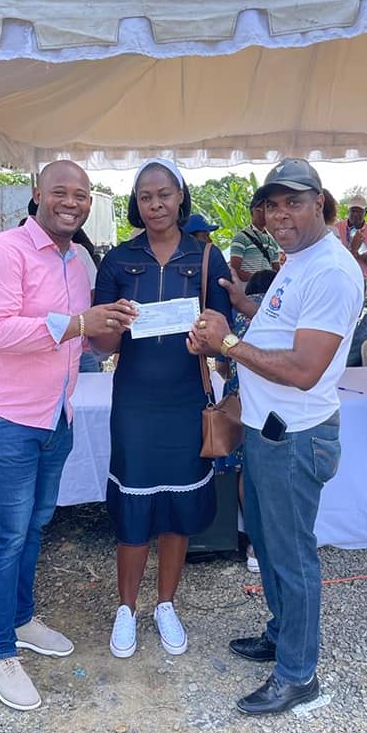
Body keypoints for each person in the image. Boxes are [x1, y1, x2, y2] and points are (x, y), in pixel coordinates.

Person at [0, 161, 135, 711]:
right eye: (60, 191)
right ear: (37, 194)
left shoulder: (77, 260)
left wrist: (113, 330)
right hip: (0, 419)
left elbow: (80, 338)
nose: (72, 202)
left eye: (81, 194)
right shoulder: (2, 253)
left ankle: (20, 618)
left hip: (54, 417)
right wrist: (81, 324)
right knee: (5, 536)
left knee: (33, 527)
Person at [188, 158, 364, 715]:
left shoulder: (331, 271)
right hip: (268, 432)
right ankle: (283, 632)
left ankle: (298, 675)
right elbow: (282, 327)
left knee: (291, 556)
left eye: (294, 202)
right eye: (272, 204)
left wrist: (227, 344)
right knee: (267, 544)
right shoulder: (299, 261)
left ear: (320, 204)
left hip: (295, 438)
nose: (280, 214)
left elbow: (305, 368)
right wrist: (241, 312)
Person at [93, 158, 232, 660]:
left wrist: (208, 342)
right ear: (136, 204)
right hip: (134, 401)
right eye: (146, 196)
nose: (155, 204)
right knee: (134, 510)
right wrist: (112, 324)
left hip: (185, 399)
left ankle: (166, 604)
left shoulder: (207, 256)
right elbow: (100, 345)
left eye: (164, 194)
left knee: (176, 511)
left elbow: (223, 336)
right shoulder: (117, 260)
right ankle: (126, 608)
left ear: (180, 198)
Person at [214, 269, 276, 574]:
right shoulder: (280, 313)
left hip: (240, 401)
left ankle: (250, 540)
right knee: (268, 472)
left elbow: (221, 367)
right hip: (276, 402)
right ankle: (268, 541)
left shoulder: (236, 316)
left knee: (245, 472)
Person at [229, 190, 281, 281]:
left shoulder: (273, 241)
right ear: (251, 212)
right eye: (259, 210)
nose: (263, 214)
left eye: (266, 210)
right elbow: (234, 270)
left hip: (267, 288)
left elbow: (277, 270)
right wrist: (258, 279)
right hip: (248, 288)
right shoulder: (241, 237)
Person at [334, 194, 367, 285]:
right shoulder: (336, 228)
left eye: (359, 211)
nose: (355, 214)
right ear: (348, 211)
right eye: (353, 211)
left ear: (366, 212)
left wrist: (363, 256)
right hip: (338, 276)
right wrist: (352, 250)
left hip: (359, 280)